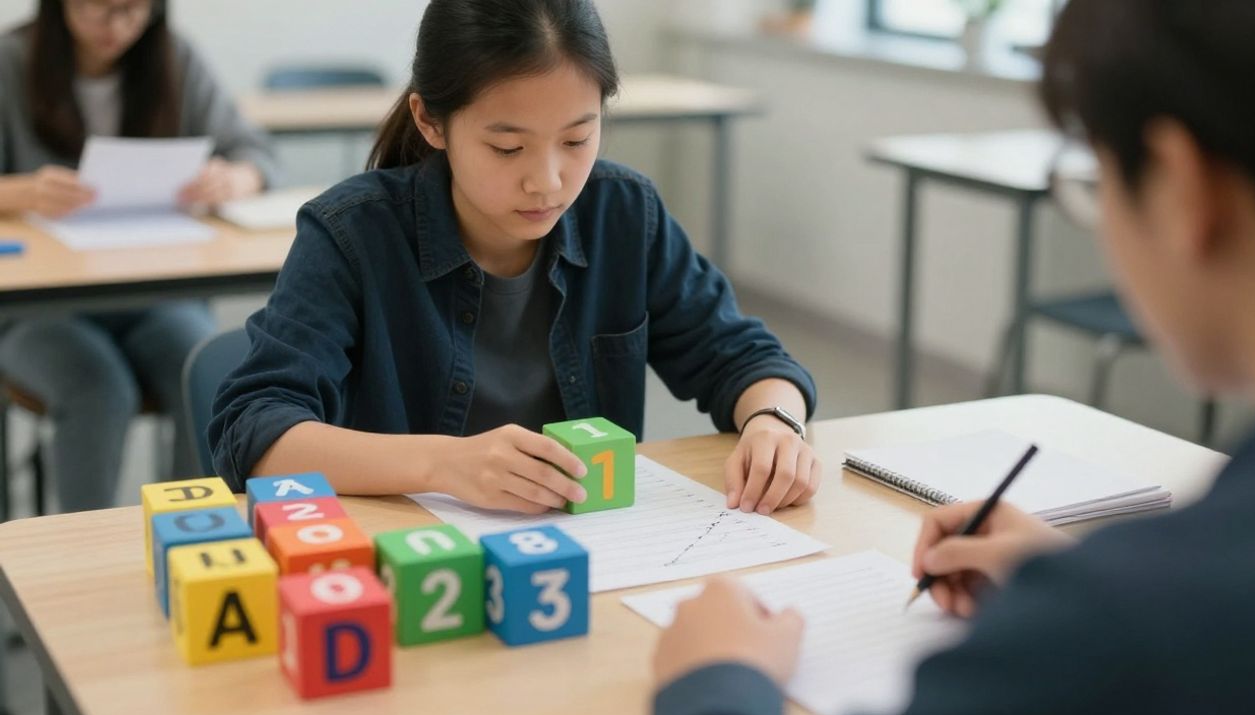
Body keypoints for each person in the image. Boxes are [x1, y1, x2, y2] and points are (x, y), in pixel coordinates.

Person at [632, 1, 1255, 715]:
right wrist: (1074, 583)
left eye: (1096, 178)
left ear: (1184, 188)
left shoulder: (1142, 622)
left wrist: (713, 683)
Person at [208, 0, 820, 517]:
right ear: (430, 121)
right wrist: (445, 463)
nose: (548, 182)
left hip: (592, 553)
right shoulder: (353, 235)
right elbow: (253, 430)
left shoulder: (623, 212)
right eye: (507, 148)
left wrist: (774, 423)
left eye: (577, 139)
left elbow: (745, 357)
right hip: (412, 557)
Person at [0, 0, 279, 512]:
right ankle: (86, 561)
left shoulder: (174, 57)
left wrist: (234, 177)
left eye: (132, 11)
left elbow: (255, 153)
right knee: (97, 387)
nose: (116, 26)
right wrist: (24, 192)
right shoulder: (11, 59)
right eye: (98, 10)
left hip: (157, 298)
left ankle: (193, 537)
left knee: (206, 365)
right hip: (39, 311)